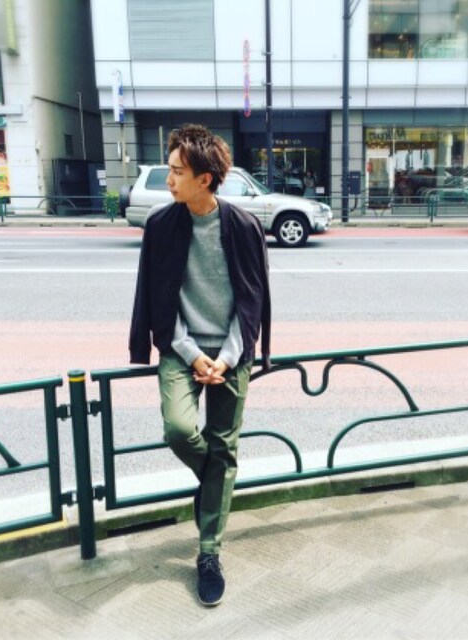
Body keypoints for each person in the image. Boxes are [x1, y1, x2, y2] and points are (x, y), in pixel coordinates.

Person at [129, 123, 271, 607]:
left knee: (224, 442)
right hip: (180, 347)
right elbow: (158, 298)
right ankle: (217, 481)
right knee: (179, 430)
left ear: (204, 179)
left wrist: (226, 358)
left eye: (176, 171)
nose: (169, 179)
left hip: (231, 352)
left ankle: (209, 552)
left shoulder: (243, 226)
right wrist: (193, 354)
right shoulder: (161, 225)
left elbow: (251, 302)